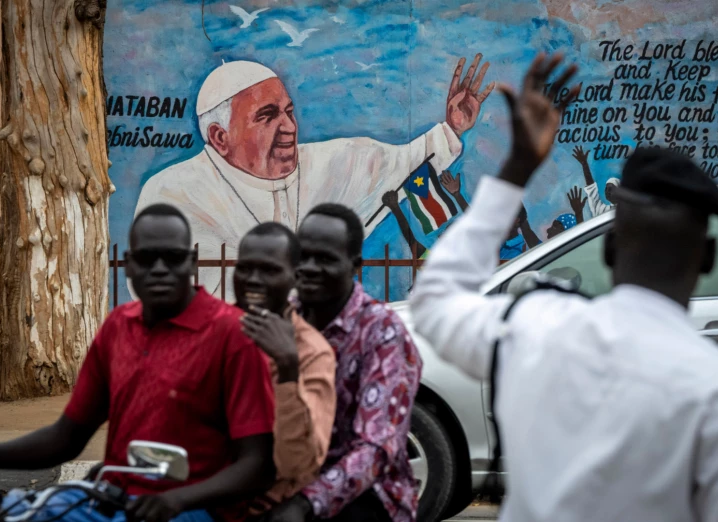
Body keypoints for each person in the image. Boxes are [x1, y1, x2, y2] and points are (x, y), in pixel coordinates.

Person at [410, 52, 718, 522]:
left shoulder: (532, 330)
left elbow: (432, 301)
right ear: (708, 259)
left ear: (608, 247)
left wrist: (517, 169)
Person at [0, 204, 278, 522]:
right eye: (149, 259)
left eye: (173, 257)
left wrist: (176, 498)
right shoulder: (118, 327)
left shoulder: (232, 335)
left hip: (190, 511)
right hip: (112, 500)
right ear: (130, 266)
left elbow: (258, 465)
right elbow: (66, 437)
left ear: (192, 262)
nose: (161, 269)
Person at [134, 54, 496, 300]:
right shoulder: (173, 194)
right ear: (219, 137)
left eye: (289, 112)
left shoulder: (333, 164)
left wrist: (452, 129)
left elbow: (402, 164)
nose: (289, 127)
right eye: (267, 116)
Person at [262, 204, 422, 522]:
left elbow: (376, 449)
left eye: (325, 259)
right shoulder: (281, 319)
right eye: (302, 256)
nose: (308, 268)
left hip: (366, 496)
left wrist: (306, 504)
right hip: (287, 477)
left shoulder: (383, 332)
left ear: (354, 265)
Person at [231, 222, 337, 516]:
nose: (253, 280)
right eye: (245, 268)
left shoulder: (311, 353)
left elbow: (297, 464)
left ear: (294, 278)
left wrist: (287, 367)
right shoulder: (212, 332)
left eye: (269, 270)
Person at [573, 146, 619, 216]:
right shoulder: (603, 211)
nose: (607, 192)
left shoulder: (630, 211)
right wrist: (584, 164)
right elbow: (592, 191)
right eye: (606, 189)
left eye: (610, 189)